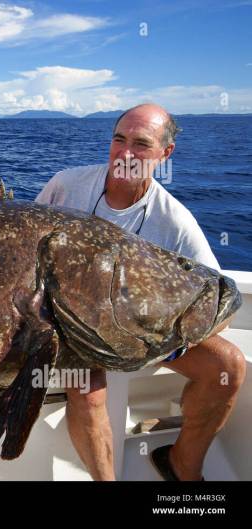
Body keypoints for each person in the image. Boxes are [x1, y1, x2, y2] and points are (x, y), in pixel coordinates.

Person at [35, 103, 246, 481]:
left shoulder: (175, 220)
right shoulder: (66, 186)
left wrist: (154, 343)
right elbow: (23, 249)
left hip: (143, 336)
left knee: (227, 366)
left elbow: (219, 301)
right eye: (119, 139)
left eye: (141, 144)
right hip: (65, 326)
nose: (126, 153)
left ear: (166, 154)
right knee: (88, 389)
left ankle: (183, 465)